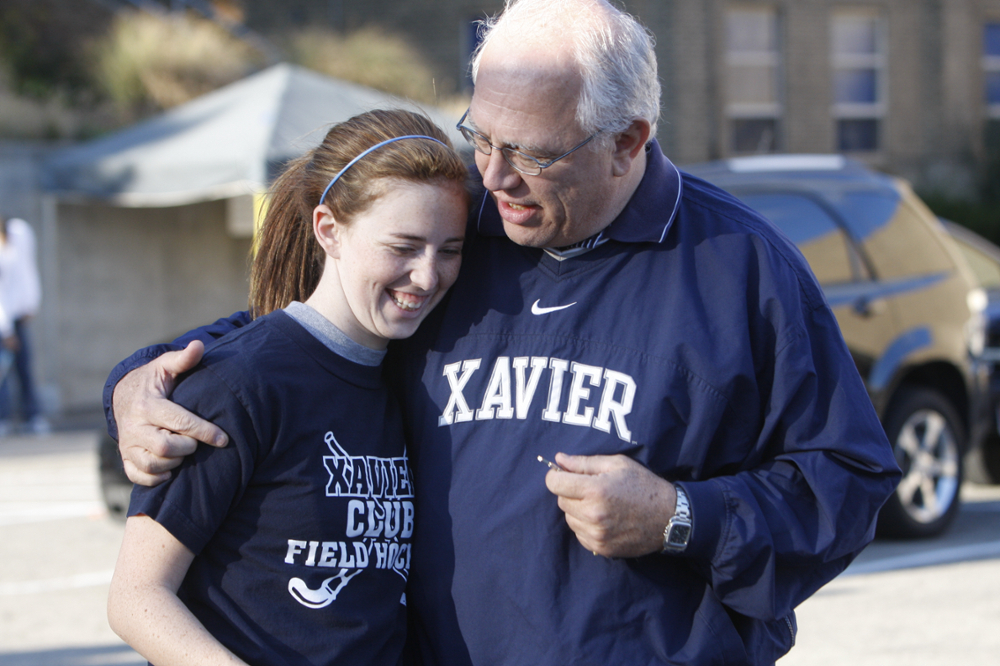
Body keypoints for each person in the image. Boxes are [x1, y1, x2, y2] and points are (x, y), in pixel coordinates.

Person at [105, 1, 901, 664]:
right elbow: (299, 333)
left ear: (628, 140)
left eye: (530, 153)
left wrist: (679, 516)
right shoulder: (463, 236)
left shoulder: (742, 268)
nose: (492, 175)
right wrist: (143, 381)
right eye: (480, 136)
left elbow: (848, 477)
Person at [106, 109, 470, 665]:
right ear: (330, 229)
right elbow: (136, 598)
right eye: (403, 246)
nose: (427, 276)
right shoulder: (238, 383)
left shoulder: (410, 376)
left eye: (449, 250)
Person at [0, 215, 46, 436]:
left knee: (24, 367)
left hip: (18, 316)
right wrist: (6, 330)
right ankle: (3, 418)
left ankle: (32, 415)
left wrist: (31, 303)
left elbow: (27, 268)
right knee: (3, 372)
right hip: (3, 319)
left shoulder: (19, 231)